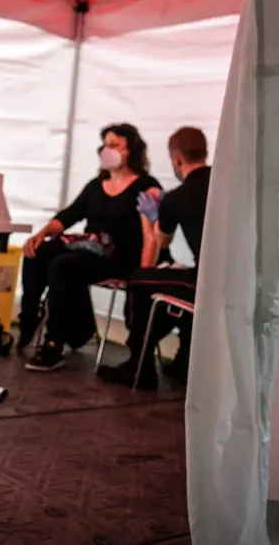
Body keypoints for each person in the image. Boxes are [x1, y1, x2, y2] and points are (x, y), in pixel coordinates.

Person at [18, 123, 163, 372]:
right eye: (105, 145)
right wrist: (40, 234)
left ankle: (54, 343)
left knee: (62, 266)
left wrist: (145, 275)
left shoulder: (146, 186)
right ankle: (29, 319)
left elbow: (152, 235)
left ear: (131, 150)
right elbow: (68, 216)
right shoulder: (97, 185)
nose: (107, 150)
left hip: (121, 257)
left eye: (115, 145)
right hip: (90, 250)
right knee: (39, 253)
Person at [96, 126, 212, 389]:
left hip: (206, 282)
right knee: (177, 280)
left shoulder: (178, 197)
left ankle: (139, 365)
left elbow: (163, 240)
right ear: (205, 153)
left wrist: (155, 216)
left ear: (176, 159)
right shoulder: (226, 185)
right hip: (241, 280)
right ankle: (184, 360)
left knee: (139, 280)